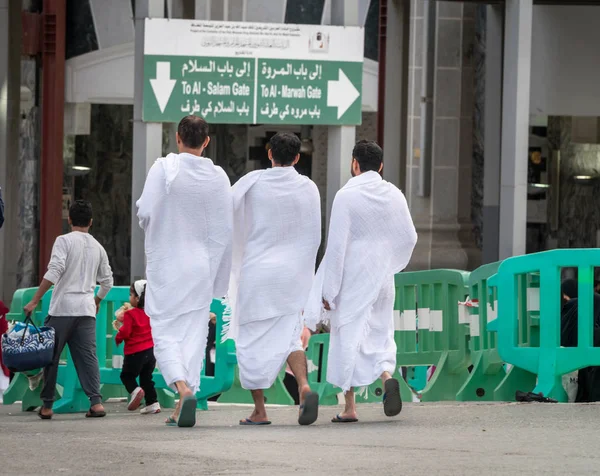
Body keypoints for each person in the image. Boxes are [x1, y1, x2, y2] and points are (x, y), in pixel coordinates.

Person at [304, 140, 417, 423]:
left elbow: (337, 248)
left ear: (354, 163)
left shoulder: (346, 196)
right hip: (382, 277)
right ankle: (387, 376)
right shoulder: (394, 194)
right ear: (380, 165)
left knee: (347, 338)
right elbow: (410, 237)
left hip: (353, 277)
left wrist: (329, 292)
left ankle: (350, 407)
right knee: (379, 332)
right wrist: (391, 263)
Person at [136, 115, 233, 428]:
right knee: (194, 335)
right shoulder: (218, 176)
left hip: (169, 265)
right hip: (202, 268)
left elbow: (146, 211)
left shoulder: (164, 168)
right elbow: (225, 225)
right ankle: (182, 404)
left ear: (177, 138)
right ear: (206, 142)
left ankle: (182, 387)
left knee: (164, 332)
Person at [226, 132, 321, 426]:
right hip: (292, 277)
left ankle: (260, 409)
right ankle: (304, 387)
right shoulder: (309, 188)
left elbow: (225, 212)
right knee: (292, 336)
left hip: (258, 273)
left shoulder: (252, 183)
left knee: (250, 341)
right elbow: (313, 236)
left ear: (269, 154)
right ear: (297, 158)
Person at [24, 200, 114, 420]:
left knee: (50, 356)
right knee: (88, 357)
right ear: (91, 222)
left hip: (62, 308)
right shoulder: (98, 247)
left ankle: (47, 406)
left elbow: (54, 271)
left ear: (69, 219)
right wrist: (97, 300)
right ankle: (96, 402)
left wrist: (35, 300)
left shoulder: (63, 241)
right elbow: (108, 281)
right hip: (86, 310)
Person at [114, 280, 160, 415]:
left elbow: (126, 331)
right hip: (151, 352)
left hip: (135, 352)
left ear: (137, 298)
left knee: (127, 376)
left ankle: (135, 391)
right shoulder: (151, 314)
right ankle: (153, 403)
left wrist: (118, 337)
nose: (129, 298)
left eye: (131, 294)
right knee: (146, 378)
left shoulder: (130, 314)